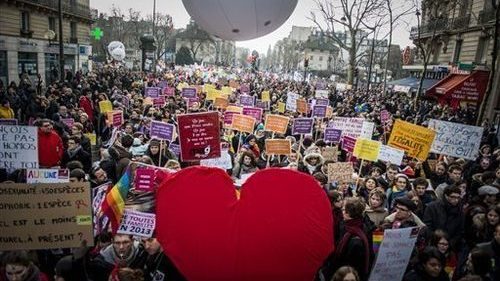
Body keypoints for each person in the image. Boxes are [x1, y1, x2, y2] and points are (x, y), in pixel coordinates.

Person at [327, 197, 371, 281]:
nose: (342, 212)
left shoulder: (356, 239)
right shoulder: (348, 227)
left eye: (343, 209)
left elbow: (353, 268)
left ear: (348, 213)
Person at [423, 186, 465, 251]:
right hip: (433, 243)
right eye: (453, 197)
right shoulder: (432, 207)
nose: (456, 200)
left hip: (451, 245)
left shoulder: (460, 210)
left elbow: (460, 230)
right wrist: (436, 241)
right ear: (446, 196)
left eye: (458, 197)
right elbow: (427, 226)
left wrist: (450, 244)